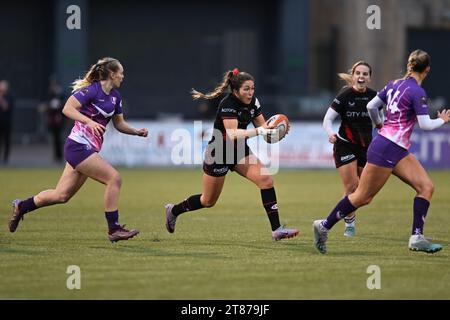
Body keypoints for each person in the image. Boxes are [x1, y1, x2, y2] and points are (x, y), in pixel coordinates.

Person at [313, 49, 450, 254]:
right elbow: (425, 124)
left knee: (426, 187)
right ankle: (323, 226)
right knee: (362, 197)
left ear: (409, 65)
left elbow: (371, 106)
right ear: (427, 70)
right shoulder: (417, 92)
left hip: (397, 148)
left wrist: (379, 123)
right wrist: (443, 120)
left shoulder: (393, 84)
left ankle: (416, 237)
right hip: (386, 148)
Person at [8, 57, 149, 243]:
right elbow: (67, 109)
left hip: (88, 148)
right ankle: (114, 229)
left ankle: (22, 206)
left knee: (61, 195)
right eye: (121, 72)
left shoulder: (116, 97)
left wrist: (136, 132)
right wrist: (89, 121)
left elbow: (119, 124)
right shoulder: (91, 90)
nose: (123, 76)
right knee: (114, 178)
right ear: (113, 74)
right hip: (78, 146)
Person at [164, 68, 299, 241]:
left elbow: (264, 130)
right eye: (246, 89)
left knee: (266, 180)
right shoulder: (228, 104)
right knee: (208, 201)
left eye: (252, 88)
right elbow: (233, 133)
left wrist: (276, 131)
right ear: (236, 91)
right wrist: (260, 130)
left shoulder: (253, 102)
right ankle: (174, 211)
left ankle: (277, 230)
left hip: (239, 150)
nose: (250, 93)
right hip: (219, 152)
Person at [322, 61, 381, 237]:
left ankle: (345, 216)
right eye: (358, 73)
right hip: (344, 144)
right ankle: (349, 223)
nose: (361, 77)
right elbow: (327, 119)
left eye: (365, 74)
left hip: (366, 147)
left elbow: (381, 120)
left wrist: (382, 127)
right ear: (354, 76)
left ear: (369, 77)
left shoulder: (375, 97)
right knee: (352, 186)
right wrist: (330, 133)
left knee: (363, 192)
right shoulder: (345, 95)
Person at [40, 76, 66, 162]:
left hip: (59, 119)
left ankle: (60, 155)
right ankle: (56, 155)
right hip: (52, 119)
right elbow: (47, 105)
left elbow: (63, 106)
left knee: (59, 138)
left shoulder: (60, 95)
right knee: (54, 138)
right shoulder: (50, 94)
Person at [0, 80, 14, 164]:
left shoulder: (10, 97)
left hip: (6, 122)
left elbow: (6, 107)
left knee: (6, 141)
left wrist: (1, 98)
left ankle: (5, 159)